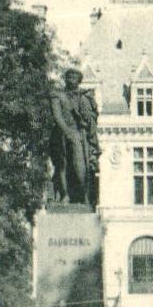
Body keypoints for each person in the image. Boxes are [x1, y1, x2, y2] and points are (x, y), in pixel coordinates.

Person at [47, 69, 100, 207]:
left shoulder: (85, 96)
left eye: (75, 77)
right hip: (61, 134)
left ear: (79, 80)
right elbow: (57, 115)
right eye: (69, 76)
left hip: (80, 134)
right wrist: (67, 132)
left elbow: (93, 116)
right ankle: (65, 195)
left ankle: (84, 195)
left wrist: (87, 120)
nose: (71, 79)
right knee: (62, 165)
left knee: (82, 166)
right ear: (65, 78)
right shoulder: (57, 95)